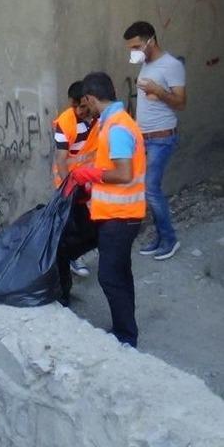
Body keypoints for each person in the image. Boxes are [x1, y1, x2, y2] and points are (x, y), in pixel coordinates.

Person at [65, 72, 146, 347]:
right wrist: (92, 181)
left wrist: (91, 175)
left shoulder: (117, 128)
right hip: (114, 214)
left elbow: (123, 174)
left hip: (120, 217)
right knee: (119, 273)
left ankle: (125, 337)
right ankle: (127, 331)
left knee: (111, 276)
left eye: (84, 103)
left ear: (89, 98)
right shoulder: (113, 122)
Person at [123, 21, 187, 260]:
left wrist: (159, 91)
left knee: (151, 190)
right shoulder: (148, 64)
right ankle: (161, 237)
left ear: (151, 40)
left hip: (162, 138)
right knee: (148, 189)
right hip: (145, 138)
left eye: (137, 46)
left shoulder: (171, 65)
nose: (133, 52)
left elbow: (181, 103)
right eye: (130, 48)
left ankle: (170, 239)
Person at [52, 80, 99, 278]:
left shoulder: (101, 118)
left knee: (92, 223)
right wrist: (69, 187)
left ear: (89, 101)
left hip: (92, 181)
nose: (76, 110)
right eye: (73, 106)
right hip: (69, 181)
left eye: (80, 106)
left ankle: (79, 252)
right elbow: (61, 159)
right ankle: (72, 257)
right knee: (73, 225)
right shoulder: (65, 121)